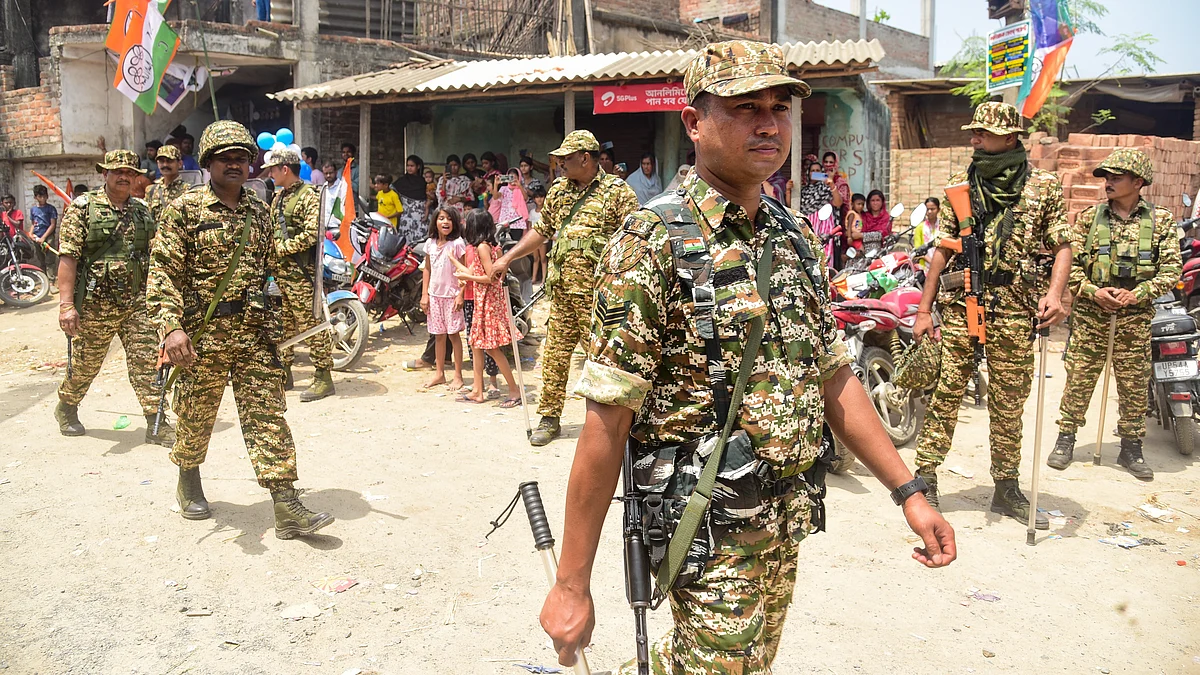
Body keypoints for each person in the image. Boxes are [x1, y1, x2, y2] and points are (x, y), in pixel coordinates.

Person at [539, 40, 955, 673]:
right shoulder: (652, 242)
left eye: (779, 107)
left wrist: (909, 491)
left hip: (783, 519)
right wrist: (572, 584)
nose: (768, 123)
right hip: (705, 532)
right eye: (743, 107)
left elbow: (832, 377)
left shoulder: (793, 236)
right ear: (693, 121)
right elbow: (606, 422)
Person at [147, 120, 334, 536]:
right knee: (196, 415)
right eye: (225, 158)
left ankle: (286, 504)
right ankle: (188, 480)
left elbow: (272, 265)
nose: (235, 165)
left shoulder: (259, 210)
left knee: (268, 415)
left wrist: (308, 304)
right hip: (201, 335)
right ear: (209, 163)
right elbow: (161, 274)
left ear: (252, 164)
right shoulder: (183, 211)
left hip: (252, 333)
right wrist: (171, 329)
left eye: (242, 158)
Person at [912, 102, 1072, 528]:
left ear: (1010, 136)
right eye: (974, 132)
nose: (974, 139)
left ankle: (1006, 487)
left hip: (1017, 309)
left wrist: (1056, 296)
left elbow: (1063, 245)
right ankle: (924, 478)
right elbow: (942, 252)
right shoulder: (959, 186)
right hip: (964, 303)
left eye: (982, 132)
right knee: (946, 392)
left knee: (1007, 401)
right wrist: (924, 309)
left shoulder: (1042, 187)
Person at [491, 129, 639, 446]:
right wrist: (508, 257)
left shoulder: (617, 192)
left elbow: (634, 242)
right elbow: (542, 231)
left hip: (600, 300)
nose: (559, 165)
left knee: (606, 362)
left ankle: (618, 423)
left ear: (585, 158)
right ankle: (549, 418)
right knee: (554, 357)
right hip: (562, 294)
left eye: (566, 159)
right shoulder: (560, 190)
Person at [1050, 148, 1180, 480]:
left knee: (1134, 385)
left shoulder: (1161, 221)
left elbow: (1170, 270)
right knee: (1079, 379)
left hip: (1134, 321)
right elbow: (1072, 268)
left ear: (1138, 182)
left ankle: (1131, 449)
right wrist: (1094, 291)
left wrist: (1139, 293)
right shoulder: (1091, 219)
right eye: (1106, 177)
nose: (1108, 183)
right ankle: (1065, 440)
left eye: (1116, 178)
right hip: (1093, 318)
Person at [53, 150, 172, 447]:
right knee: (85, 365)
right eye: (117, 171)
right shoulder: (83, 208)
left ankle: (156, 422)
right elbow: (68, 258)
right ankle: (66, 406)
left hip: (136, 303)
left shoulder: (143, 211)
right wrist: (67, 305)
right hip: (96, 306)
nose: (124, 177)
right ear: (104, 173)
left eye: (130, 173)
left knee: (148, 363)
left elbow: (151, 254)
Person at [262, 148, 337, 402]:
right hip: (281, 275)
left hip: (301, 275)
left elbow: (312, 233)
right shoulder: (279, 197)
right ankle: (285, 371)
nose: (270, 174)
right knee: (284, 324)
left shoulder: (308, 196)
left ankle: (323, 376)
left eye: (273, 169)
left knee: (311, 325)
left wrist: (284, 248)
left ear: (285, 169)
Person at [452, 209, 521, 407]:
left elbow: (490, 277)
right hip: (483, 302)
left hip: (488, 302)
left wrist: (468, 278)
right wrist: (455, 262)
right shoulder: (488, 246)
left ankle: (514, 391)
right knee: (476, 346)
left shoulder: (482, 248)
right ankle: (477, 390)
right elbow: (474, 270)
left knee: (492, 349)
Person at [420, 207, 467, 391]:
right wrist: (425, 295)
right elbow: (427, 269)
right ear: (435, 221)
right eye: (441, 218)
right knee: (438, 336)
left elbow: (463, 272)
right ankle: (439, 373)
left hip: (452, 296)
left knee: (454, 335)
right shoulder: (430, 244)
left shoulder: (457, 244)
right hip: (434, 296)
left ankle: (458, 375)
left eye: (449, 218)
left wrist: (461, 294)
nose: (445, 222)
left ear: (454, 223)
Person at [798, 159, 841, 265]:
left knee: (825, 258)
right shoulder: (803, 190)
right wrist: (789, 191)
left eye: (818, 170)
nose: (815, 173)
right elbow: (794, 206)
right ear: (808, 173)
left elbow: (838, 203)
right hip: (809, 227)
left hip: (824, 228)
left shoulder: (826, 189)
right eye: (813, 170)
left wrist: (831, 185)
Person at [145, 145, 189, 223]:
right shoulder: (151, 190)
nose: (165, 165)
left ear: (180, 164)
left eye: (169, 161)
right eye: (162, 161)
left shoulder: (188, 190)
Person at [391, 155, 430, 245]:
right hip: (406, 217)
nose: (409, 168)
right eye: (408, 166)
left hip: (421, 217)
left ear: (418, 166)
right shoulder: (402, 181)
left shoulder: (424, 182)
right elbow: (391, 193)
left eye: (412, 166)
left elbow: (430, 196)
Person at [29, 185, 58, 282]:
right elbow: (33, 223)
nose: (42, 198)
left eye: (44, 196)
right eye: (40, 196)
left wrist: (44, 237)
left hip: (48, 237)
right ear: (35, 197)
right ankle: (44, 280)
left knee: (50, 260)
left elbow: (52, 225)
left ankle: (51, 281)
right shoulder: (33, 209)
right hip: (37, 237)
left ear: (47, 196)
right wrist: (30, 233)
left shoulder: (51, 209)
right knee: (41, 259)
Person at [822, 150, 851, 219]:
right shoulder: (818, 177)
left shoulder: (841, 181)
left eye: (831, 162)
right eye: (826, 162)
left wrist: (831, 181)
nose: (828, 165)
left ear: (836, 163)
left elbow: (839, 203)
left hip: (836, 217)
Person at [913, 196, 940, 269]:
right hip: (924, 267)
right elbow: (918, 250)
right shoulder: (920, 227)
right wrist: (931, 262)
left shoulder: (943, 227)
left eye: (932, 209)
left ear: (938, 210)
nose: (929, 212)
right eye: (927, 209)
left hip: (941, 265)